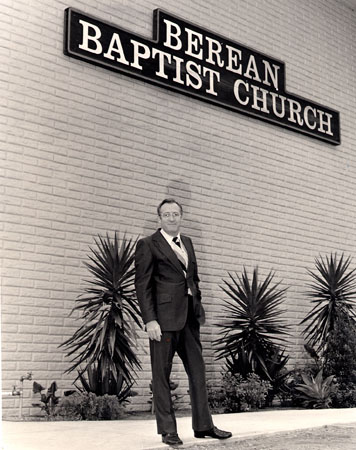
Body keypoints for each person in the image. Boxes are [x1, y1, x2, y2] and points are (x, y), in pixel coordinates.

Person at [135, 198, 232, 446]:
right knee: (161, 375)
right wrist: (150, 320)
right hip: (163, 322)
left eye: (175, 214)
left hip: (189, 319)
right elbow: (142, 285)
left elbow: (193, 278)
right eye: (166, 214)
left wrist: (197, 305)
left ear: (181, 216)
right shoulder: (147, 244)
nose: (171, 218)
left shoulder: (187, 242)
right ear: (159, 218)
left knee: (198, 372)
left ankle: (204, 426)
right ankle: (168, 431)